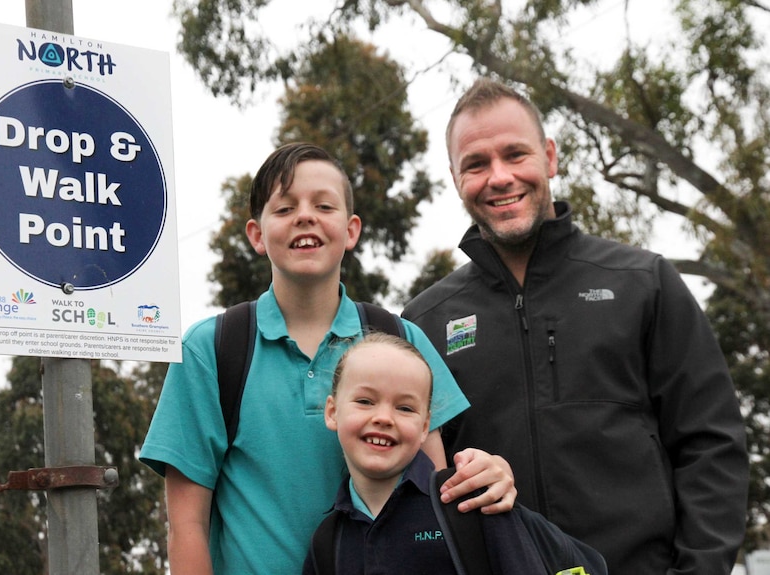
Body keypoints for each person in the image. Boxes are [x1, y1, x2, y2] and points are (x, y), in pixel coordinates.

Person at [402, 77, 749, 575]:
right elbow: (418, 486)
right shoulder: (424, 323)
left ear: (549, 157)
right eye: (476, 164)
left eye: (515, 154)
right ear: (455, 177)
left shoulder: (644, 284)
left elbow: (711, 444)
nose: (499, 177)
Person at [139, 142, 516, 574]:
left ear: (351, 230)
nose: (305, 216)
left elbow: (433, 494)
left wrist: (489, 474)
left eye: (323, 205)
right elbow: (186, 526)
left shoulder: (401, 339)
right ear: (257, 235)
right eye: (284, 209)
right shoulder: (211, 350)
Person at [302, 332, 607, 575]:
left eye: (405, 407)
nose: (384, 417)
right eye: (366, 401)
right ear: (332, 412)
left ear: (425, 427)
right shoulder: (328, 542)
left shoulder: (469, 502)